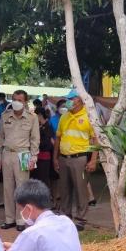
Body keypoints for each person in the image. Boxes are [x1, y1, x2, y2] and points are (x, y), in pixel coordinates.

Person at [53, 89, 98, 231]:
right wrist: (55, 158)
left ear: (80, 100)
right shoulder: (64, 117)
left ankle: (80, 219)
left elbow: (95, 140)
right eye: (68, 98)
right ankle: (65, 216)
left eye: (72, 98)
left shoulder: (89, 116)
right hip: (63, 158)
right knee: (64, 189)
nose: (69, 101)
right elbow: (58, 139)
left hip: (80, 159)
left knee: (81, 189)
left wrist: (93, 160)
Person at [0, 90, 39, 232]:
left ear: (25, 102)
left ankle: (21, 219)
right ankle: (9, 219)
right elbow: (0, 138)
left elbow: (35, 140)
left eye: (20, 100)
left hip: (24, 154)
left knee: (22, 189)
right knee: (7, 188)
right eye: (14, 99)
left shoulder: (32, 118)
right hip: (7, 153)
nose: (16, 102)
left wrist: (34, 158)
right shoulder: (5, 116)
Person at [30, 107, 54, 188]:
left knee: (43, 180)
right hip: (35, 157)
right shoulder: (38, 126)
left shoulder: (48, 127)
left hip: (43, 157)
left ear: (39, 115)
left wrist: (35, 143)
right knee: (34, 179)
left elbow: (47, 144)